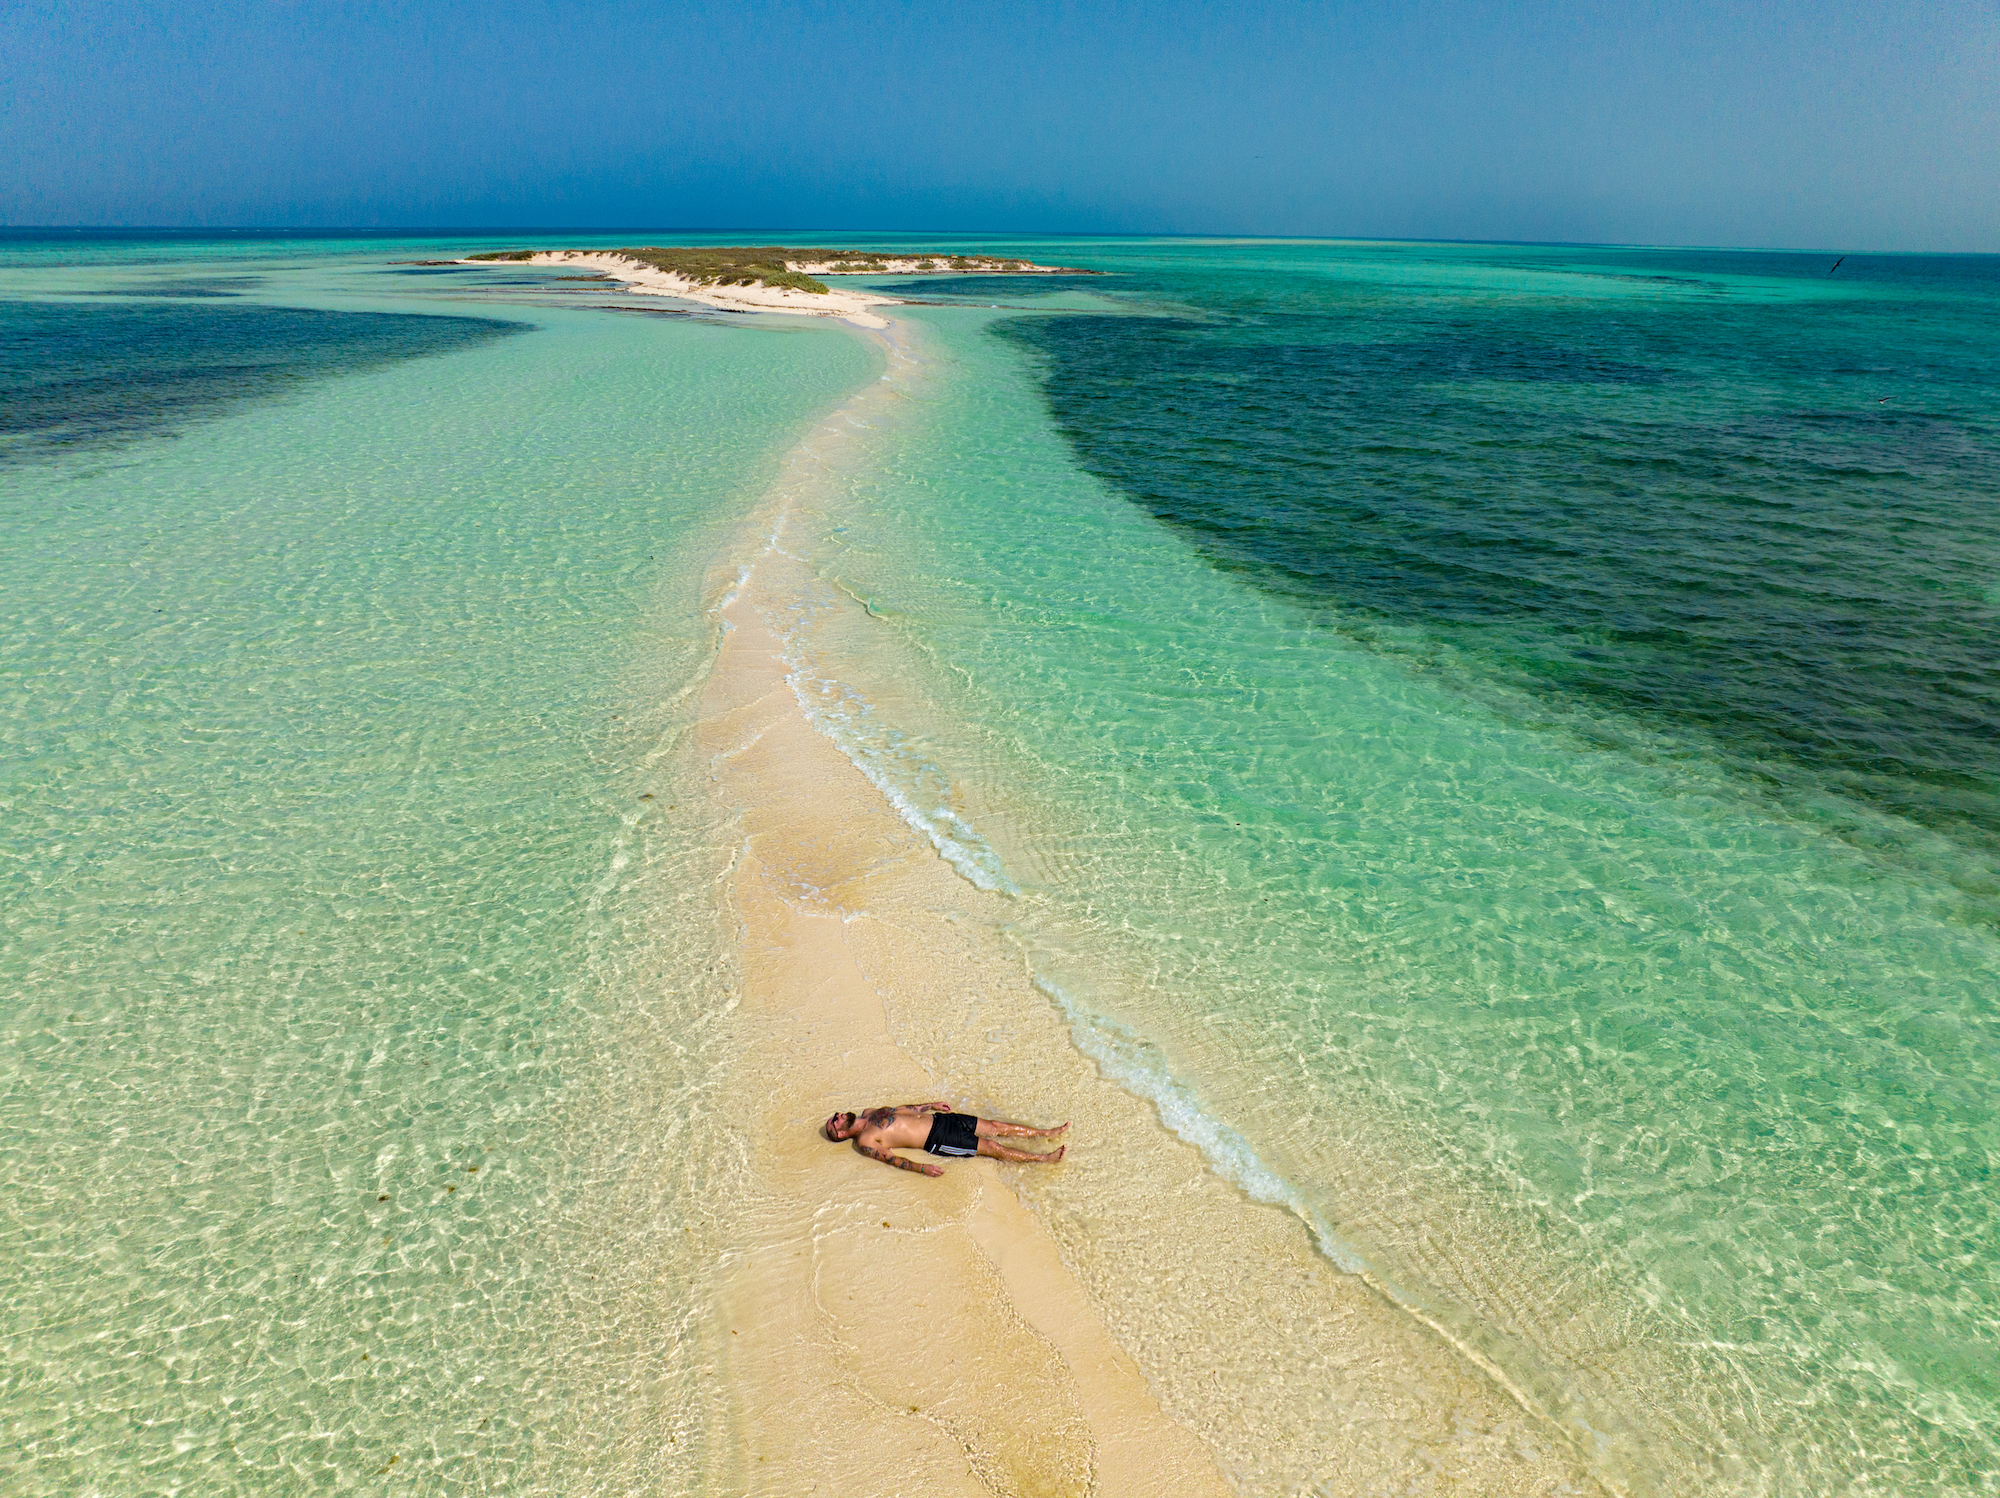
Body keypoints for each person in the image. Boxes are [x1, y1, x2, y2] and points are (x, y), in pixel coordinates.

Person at [822, 1100, 1067, 1176]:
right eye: (835, 1120)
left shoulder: (868, 1113)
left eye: (835, 1115)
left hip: (941, 1119)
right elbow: (892, 1159)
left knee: (995, 1126)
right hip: (938, 1138)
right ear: (841, 1133)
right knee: (991, 1146)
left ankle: (1045, 1133)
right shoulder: (865, 1142)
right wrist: (922, 1168)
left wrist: (930, 1105)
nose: (838, 1115)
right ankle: (1044, 1158)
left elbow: (902, 1110)